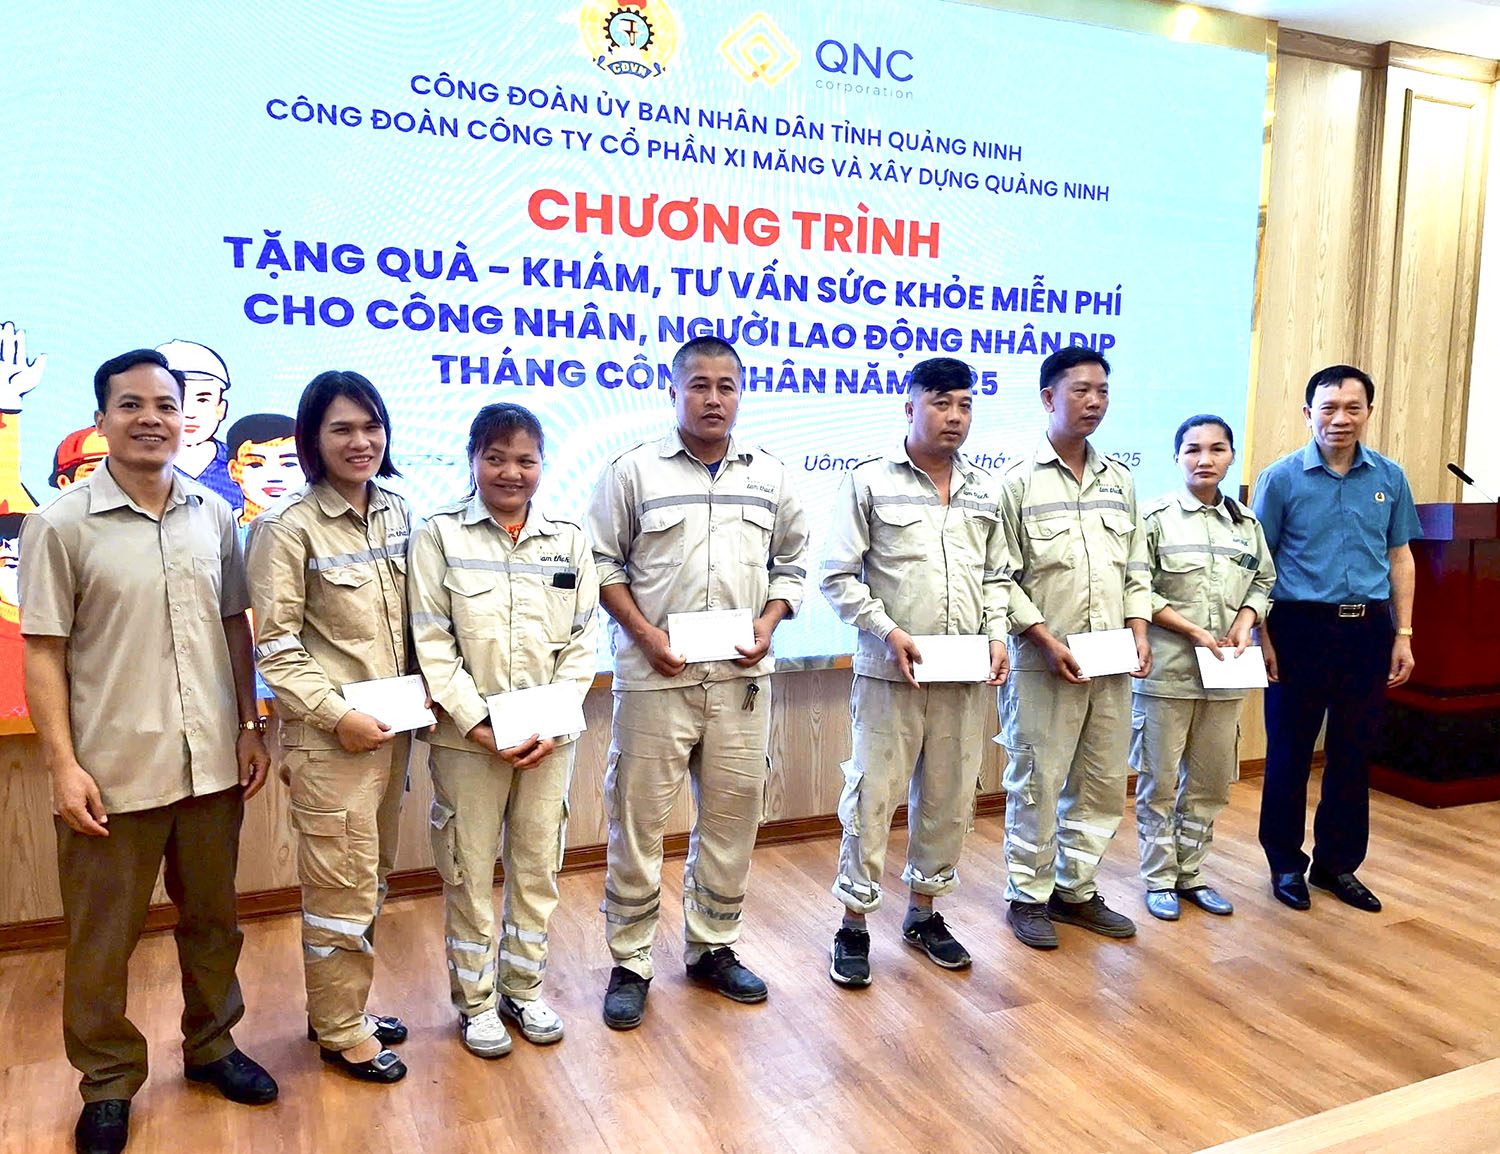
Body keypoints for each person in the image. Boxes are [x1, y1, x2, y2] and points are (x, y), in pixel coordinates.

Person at [19, 348, 276, 1154]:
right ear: (102, 419)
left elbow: (234, 626)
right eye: (131, 405)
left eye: (165, 404)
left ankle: (212, 1046)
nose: (152, 418)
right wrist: (62, 765)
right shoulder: (60, 523)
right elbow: (43, 651)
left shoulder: (212, 513)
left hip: (211, 767)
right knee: (102, 942)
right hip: (112, 774)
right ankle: (107, 1082)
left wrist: (249, 724)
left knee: (215, 923)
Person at [586, 336, 808, 1029]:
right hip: (656, 677)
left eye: (726, 386)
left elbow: (792, 565)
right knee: (637, 825)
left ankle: (713, 947)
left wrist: (769, 622)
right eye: (700, 385)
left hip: (741, 680)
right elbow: (601, 564)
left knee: (732, 819)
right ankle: (630, 962)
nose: (714, 399)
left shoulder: (771, 475)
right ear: (673, 391)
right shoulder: (632, 471)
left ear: (741, 393)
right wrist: (645, 636)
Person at [410, 403, 599, 1058]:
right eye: (495, 458)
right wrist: (479, 723)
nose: (510, 472)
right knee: (467, 873)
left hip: (549, 741)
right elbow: (432, 642)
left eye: (525, 460)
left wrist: (553, 721)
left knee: (537, 867)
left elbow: (583, 640)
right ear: (472, 460)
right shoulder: (438, 536)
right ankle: (475, 1003)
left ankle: (524, 988)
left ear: (542, 464)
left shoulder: (570, 539)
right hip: (469, 742)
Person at [819, 357, 1012, 987]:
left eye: (964, 405)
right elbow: (838, 576)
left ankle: (924, 915)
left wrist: (998, 634)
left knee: (950, 799)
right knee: (871, 799)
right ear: (910, 408)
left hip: (962, 676)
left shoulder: (986, 490)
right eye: (940, 403)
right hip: (889, 674)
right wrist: (888, 631)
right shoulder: (869, 482)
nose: (954, 416)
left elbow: (997, 577)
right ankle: (853, 925)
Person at [246, 370, 415, 1082]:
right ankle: (341, 1031)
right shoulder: (285, 527)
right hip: (331, 741)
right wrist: (336, 715)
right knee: (340, 887)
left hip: (393, 733)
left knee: (368, 879)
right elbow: (275, 646)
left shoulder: (398, 511)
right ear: (312, 440)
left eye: (371, 426)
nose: (360, 441)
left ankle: (341, 1008)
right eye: (341, 428)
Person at [997, 345, 1152, 950]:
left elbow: (1136, 567)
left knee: (1101, 781)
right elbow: (1000, 577)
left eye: (1103, 391)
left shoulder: (1121, 480)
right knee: (1037, 781)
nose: (1094, 402)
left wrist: (1139, 629)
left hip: (1111, 661)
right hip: (1044, 663)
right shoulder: (1016, 481)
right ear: (1048, 398)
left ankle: (1076, 890)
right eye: (1081, 390)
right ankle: (1027, 894)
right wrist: (1044, 638)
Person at [1252, 365, 1418, 913]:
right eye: (1328, 408)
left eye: (1352, 408)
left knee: (1353, 753)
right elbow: (1258, 564)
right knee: (1289, 752)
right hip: (1298, 628)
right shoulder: (1281, 479)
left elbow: (1400, 557)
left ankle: (1336, 865)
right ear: (1308, 414)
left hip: (1368, 630)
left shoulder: (1389, 477)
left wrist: (1403, 633)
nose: (1340, 419)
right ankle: (1284, 863)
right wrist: (1262, 636)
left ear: (1369, 412)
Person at [1131, 416, 1275, 920]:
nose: (1204, 459)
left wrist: (1247, 620)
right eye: (1192, 449)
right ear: (1177, 457)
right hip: (1166, 674)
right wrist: (1191, 630)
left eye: (1217, 449)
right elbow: (1137, 588)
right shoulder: (1153, 518)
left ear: (1231, 456)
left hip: (1225, 674)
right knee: (1159, 783)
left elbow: (1263, 581)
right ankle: (1158, 878)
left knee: (1210, 784)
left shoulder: (1246, 523)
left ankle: (1191, 873)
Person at [156, 339, 241, 511]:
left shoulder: (245, 465)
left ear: (221, 408)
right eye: (175, 399)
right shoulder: (133, 466)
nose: (189, 413)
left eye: (202, 400)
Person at [225, 413, 302, 525]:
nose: (274, 477)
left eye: (288, 464)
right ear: (234, 470)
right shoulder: (218, 527)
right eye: (256, 464)